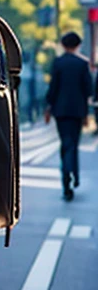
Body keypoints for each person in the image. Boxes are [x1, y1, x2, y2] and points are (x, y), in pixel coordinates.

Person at [44, 31, 93, 201]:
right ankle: (75, 176)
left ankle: (66, 180)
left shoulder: (58, 63)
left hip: (60, 110)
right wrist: (86, 112)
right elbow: (89, 89)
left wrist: (48, 108)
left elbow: (53, 88)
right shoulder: (82, 64)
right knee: (74, 143)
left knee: (66, 143)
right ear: (78, 45)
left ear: (63, 45)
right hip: (78, 111)